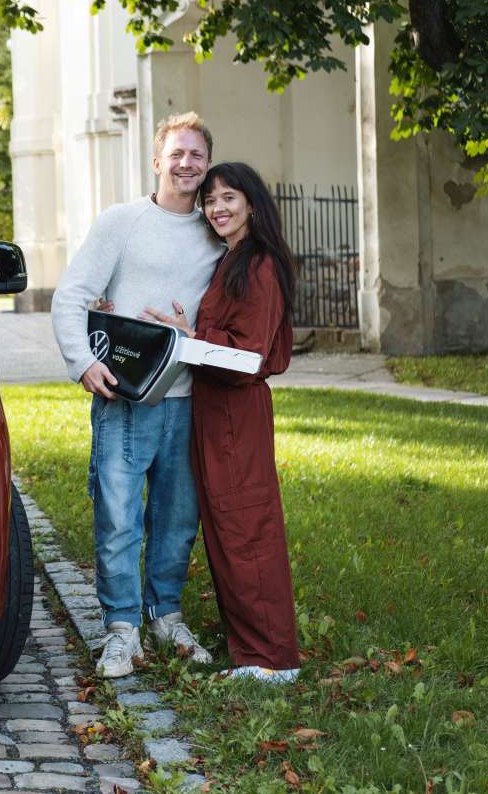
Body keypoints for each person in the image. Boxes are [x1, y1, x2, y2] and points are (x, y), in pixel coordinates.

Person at [51, 112, 225, 678]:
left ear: (207, 163)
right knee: (119, 517)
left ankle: (165, 615)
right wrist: (82, 362)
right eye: (177, 153)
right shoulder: (121, 222)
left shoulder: (216, 233)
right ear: (156, 161)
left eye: (196, 155)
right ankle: (121, 629)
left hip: (189, 397)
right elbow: (71, 296)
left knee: (177, 519)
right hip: (125, 397)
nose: (186, 164)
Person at [141, 161, 300, 683]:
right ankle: (251, 651)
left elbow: (247, 357)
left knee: (246, 527)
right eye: (210, 201)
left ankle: (273, 660)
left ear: (252, 203)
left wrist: (192, 341)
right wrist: (187, 333)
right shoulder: (233, 260)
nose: (217, 208)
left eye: (228, 197)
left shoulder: (260, 265)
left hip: (236, 412)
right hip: (214, 411)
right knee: (228, 531)